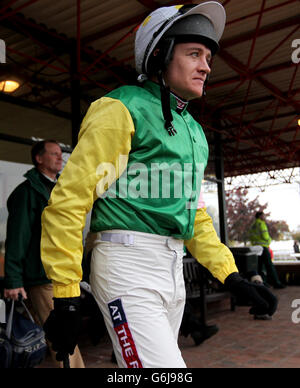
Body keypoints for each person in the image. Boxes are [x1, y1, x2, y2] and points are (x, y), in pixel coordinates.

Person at [41, 3, 277, 368]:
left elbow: (193, 216)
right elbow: (69, 201)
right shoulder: (120, 108)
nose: (206, 66)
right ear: (160, 56)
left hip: (173, 269)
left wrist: (231, 275)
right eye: (194, 53)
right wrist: (66, 295)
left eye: (209, 57)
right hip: (126, 265)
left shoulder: (195, 131)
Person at [3, 140, 85, 368]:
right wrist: (13, 279)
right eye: (55, 154)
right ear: (39, 159)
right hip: (44, 276)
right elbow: (17, 238)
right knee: (63, 337)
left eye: (61, 154)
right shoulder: (27, 192)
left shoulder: (59, 188)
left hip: (63, 272)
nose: (61, 158)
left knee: (42, 337)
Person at [249, 211, 285, 289]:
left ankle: (263, 283)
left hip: (256, 249)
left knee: (260, 266)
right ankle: (276, 283)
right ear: (260, 216)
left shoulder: (253, 225)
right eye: (263, 216)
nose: (264, 217)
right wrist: (269, 241)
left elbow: (251, 237)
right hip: (263, 247)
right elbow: (265, 236)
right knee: (269, 265)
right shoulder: (261, 224)